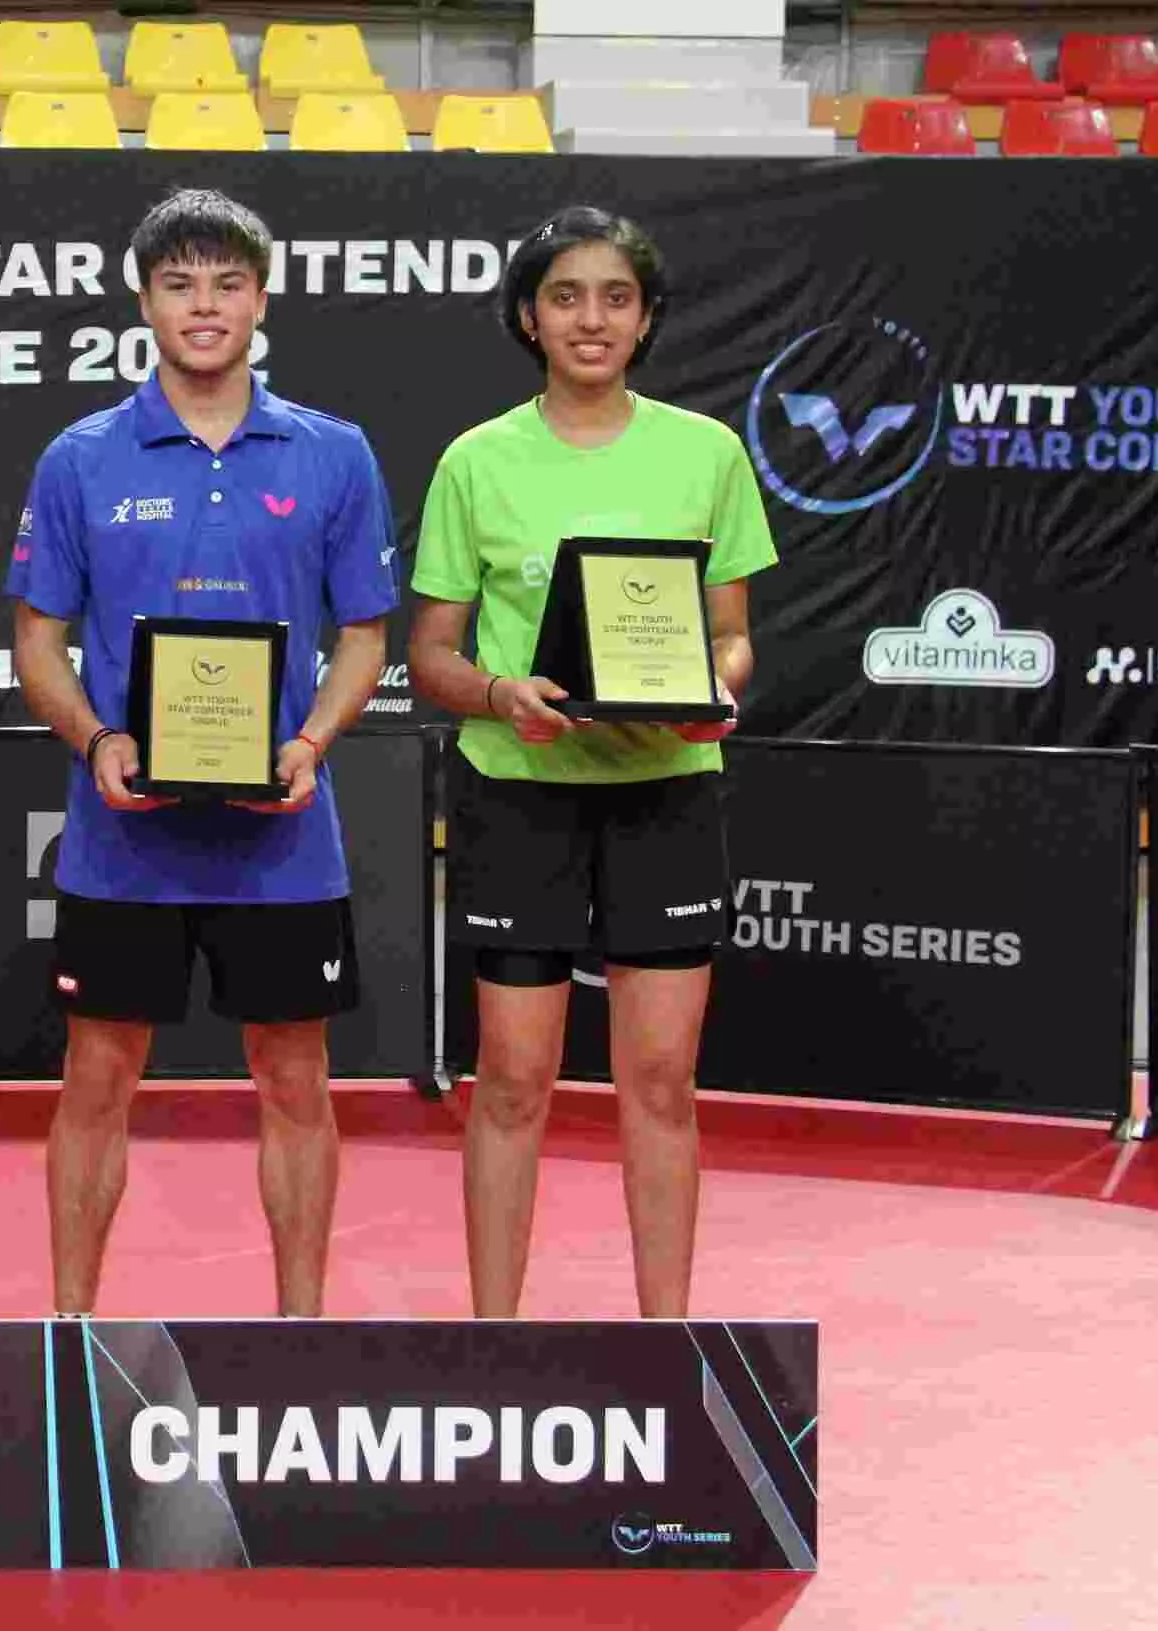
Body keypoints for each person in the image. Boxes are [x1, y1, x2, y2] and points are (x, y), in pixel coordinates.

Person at [10, 189, 400, 1317]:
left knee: (295, 1078)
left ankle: (299, 1335)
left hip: (282, 839)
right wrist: (97, 738)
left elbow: (364, 635)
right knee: (96, 1076)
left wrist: (311, 742)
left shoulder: (334, 452)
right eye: (178, 284)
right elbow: (36, 640)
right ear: (144, 301)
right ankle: (70, 1328)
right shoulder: (80, 457)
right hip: (121, 839)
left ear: (261, 299)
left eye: (227, 283)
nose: (204, 305)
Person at [405, 205, 775, 1320]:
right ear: (529, 316)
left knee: (659, 1081)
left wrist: (716, 689)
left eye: (616, 297)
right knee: (513, 1081)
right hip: (518, 795)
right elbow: (431, 654)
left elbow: (731, 636)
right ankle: (495, 1342)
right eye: (565, 296)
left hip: (665, 794)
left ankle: (665, 1341)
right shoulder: (475, 460)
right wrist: (499, 693)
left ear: (647, 318)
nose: (591, 319)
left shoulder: (706, 452)